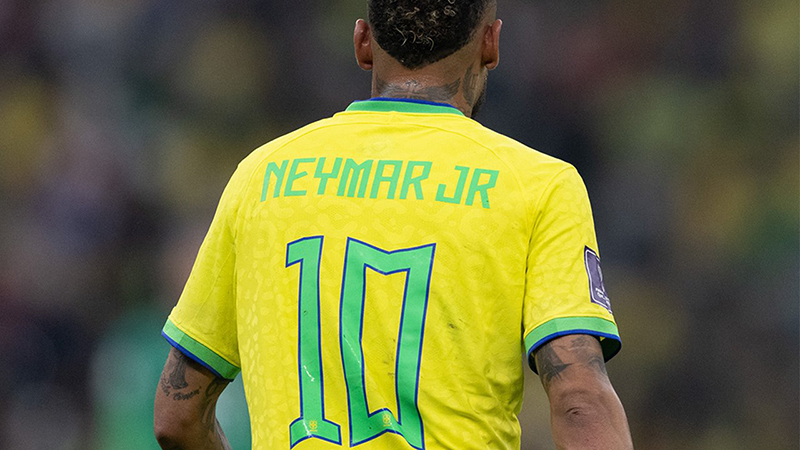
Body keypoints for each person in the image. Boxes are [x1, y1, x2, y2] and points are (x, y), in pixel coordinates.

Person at [153, 1, 634, 449]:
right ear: (491, 43)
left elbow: (177, 417)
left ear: (363, 43)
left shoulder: (263, 175)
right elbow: (579, 401)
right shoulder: (536, 185)